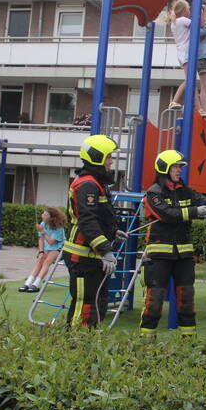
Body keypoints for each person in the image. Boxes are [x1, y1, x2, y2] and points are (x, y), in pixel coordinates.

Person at [140, 149, 206, 339]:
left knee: (186, 300)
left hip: (184, 256)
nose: (179, 170)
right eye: (175, 167)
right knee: (154, 302)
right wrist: (194, 211)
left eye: (180, 167)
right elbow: (168, 214)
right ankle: (146, 344)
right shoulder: (154, 193)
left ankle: (188, 345)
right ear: (165, 168)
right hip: (159, 255)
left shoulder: (186, 191)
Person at [61, 135, 126, 327]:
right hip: (82, 257)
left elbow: (99, 217)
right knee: (85, 305)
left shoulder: (96, 183)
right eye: (108, 157)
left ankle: (87, 346)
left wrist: (112, 233)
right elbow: (88, 220)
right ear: (97, 157)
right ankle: (74, 347)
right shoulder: (88, 184)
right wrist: (106, 250)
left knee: (97, 304)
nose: (111, 162)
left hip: (91, 256)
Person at [19, 206, 67, 293]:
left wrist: (42, 231)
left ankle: (36, 284)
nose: (42, 216)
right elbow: (41, 239)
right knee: (40, 261)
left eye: (45, 215)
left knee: (46, 262)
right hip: (47, 248)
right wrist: (41, 251)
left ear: (51, 218)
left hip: (59, 249)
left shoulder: (59, 227)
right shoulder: (43, 224)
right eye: (43, 214)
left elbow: (51, 242)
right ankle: (28, 283)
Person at [166, 0, 191, 110]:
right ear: (184, 10)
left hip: (181, 52)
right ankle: (174, 101)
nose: (189, 11)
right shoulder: (183, 20)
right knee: (189, 79)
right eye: (188, 9)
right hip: (186, 52)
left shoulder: (174, 22)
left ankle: (187, 102)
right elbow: (197, 25)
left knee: (190, 79)